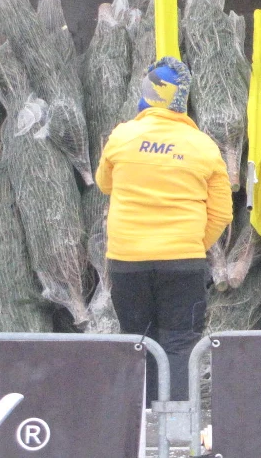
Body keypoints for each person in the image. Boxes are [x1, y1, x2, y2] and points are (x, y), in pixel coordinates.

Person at [95, 57, 232, 401]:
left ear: (145, 95)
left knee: (138, 341)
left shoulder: (121, 137)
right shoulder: (204, 146)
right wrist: (192, 244)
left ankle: (141, 428)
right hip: (182, 261)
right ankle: (178, 437)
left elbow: (104, 184)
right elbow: (222, 212)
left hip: (127, 260)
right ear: (181, 100)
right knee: (179, 342)